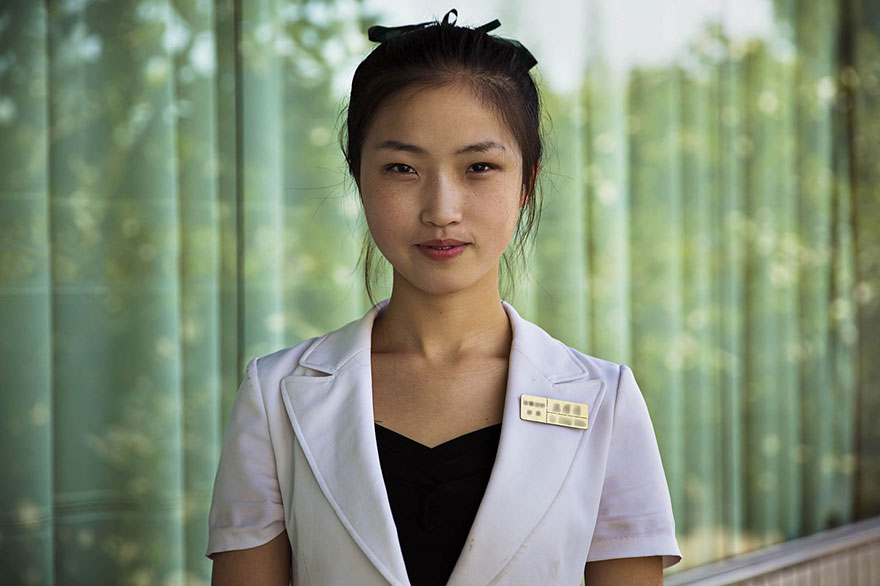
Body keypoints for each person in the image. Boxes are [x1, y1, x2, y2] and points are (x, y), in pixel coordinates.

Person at [207, 9, 681, 586]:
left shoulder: (605, 401)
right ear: (360, 178)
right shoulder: (275, 396)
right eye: (402, 168)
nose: (442, 210)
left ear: (526, 182)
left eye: (479, 166)